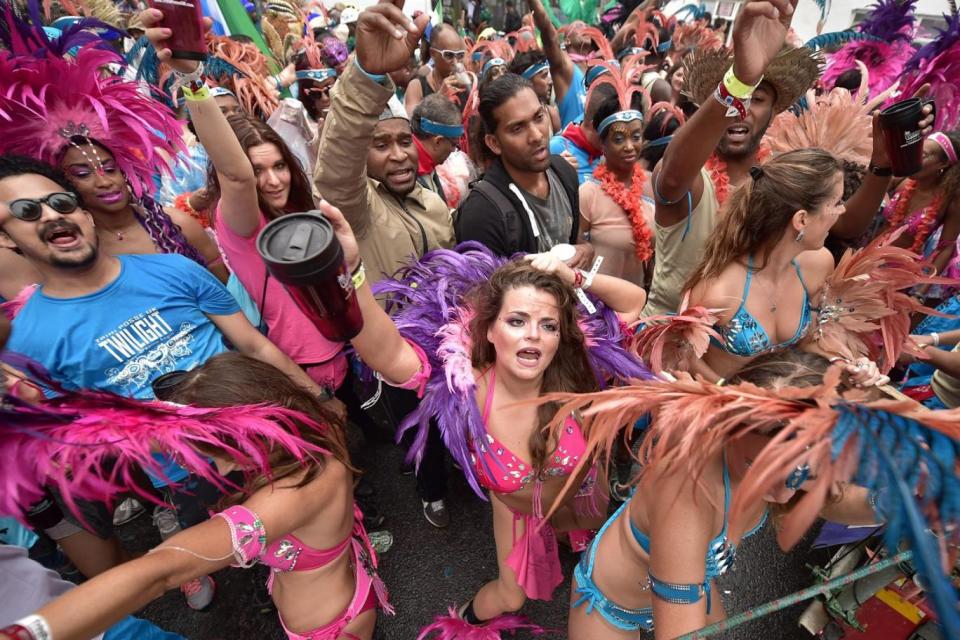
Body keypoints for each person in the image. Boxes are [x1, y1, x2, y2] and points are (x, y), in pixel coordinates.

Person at [0, 154, 326, 603]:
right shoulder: (28, 342)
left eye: (61, 202)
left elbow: (254, 345)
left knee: (306, 532)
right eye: (26, 211)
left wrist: (315, 400)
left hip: (263, 436)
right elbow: (77, 439)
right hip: (182, 477)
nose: (53, 214)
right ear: (6, 237)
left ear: (83, 212)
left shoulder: (173, 270)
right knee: (236, 558)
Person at [318, 195, 648, 629]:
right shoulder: (467, 386)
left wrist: (573, 276)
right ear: (488, 329)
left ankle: (574, 536)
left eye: (547, 325)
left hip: (581, 490)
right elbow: (384, 349)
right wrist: (351, 274)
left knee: (590, 545)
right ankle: (467, 625)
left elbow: (633, 301)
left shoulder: (574, 366)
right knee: (510, 596)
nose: (533, 335)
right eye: (516, 321)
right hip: (515, 506)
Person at [0, 352, 392, 640]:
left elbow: (163, 569)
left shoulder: (292, 495)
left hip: (330, 627)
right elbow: (152, 433)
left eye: (198, 449)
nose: (187, 462)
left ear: (242, 439)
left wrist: (30, 631)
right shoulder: (303, 433)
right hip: (341, 585)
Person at [562, 350, 892, 639]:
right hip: (611, 605)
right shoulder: (687, 496)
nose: (783, 487)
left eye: (806, 471)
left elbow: (832, 499)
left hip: (694, 577)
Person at [643, 0, 924, 317]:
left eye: (757, 99)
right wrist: (741, 81)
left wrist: (882, 164)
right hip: (668, 351)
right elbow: (672, 175)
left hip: (740, 355)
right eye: (735, 99)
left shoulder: (779, 180)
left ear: (774, 110)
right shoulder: (693, 180)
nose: (742, 108)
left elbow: (842, 224)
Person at [0, 47, 227, 284]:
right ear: (63, 186)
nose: (105, 181)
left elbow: (225, 291)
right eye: (83, 174)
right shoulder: (71, 249)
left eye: (109, 169)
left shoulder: (173, 224)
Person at [314, 5, 454, 287]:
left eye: (405, 141)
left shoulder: (434, 206)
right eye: (381, 145)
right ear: (361, 155)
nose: (399, 154)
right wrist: (366, 75)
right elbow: (339, 164)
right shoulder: (357, 208)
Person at [455, 73, 594, 267]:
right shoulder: (482, 214)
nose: (537, 135)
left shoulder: (564, 173)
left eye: (538, 117)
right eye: (517, 129)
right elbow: (480, 293)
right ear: (494, 143)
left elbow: (574, 239)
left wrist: (585, 250)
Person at [579, 95, 653, 286]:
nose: (629, 147)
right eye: (618, 139)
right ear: (603, 144)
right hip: (597, 308)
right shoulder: (589, 194)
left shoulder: (652, 185)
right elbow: (576, 257)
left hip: (641, 307)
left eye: (636, 137)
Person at [877, 131, 960, 282]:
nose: (911, 159)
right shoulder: (901, 178)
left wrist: (920, 292)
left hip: (897, 275)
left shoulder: (949, 200)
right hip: (867, 256)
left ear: (943, 163)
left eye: (922, 155)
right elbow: (874, 190)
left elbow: (946, 248)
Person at [411, 94, 464, 207]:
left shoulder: (426, 163)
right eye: (453, 145)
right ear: (438, 142)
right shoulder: (407, 174)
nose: (454, 150)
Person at [404, 23, 469, 115]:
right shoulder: (417, 86)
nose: (455, 62)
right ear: (433, 54)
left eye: (460, 55)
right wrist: (439, 97)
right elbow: (412, 121)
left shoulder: (465, 86)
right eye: (448, 55)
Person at [508, 51, 561, 135]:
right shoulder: (511, 118)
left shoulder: (551, 114)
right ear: (527, 81)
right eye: (544, 76)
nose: (550, 81)